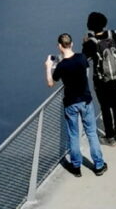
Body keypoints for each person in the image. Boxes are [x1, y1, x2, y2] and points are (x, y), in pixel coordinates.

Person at [45, 33, 107, 177]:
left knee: (73, 135)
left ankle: (76, 167)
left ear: (59, 46)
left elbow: (50, 82)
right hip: (85, 100)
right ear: (71, 44)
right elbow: (78, 67)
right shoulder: (81, 58)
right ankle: (98, 165)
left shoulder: (60, 66)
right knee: (91, 132)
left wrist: (49, 67)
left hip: (71, 103)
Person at [83, 12, 116, 145]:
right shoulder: (112, 35)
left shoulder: (91, 42)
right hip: (115, 76)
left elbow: (84, 58)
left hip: (101, 79)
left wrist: (85, 43)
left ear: (91, 25)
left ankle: (110, 137)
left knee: (105, 107)